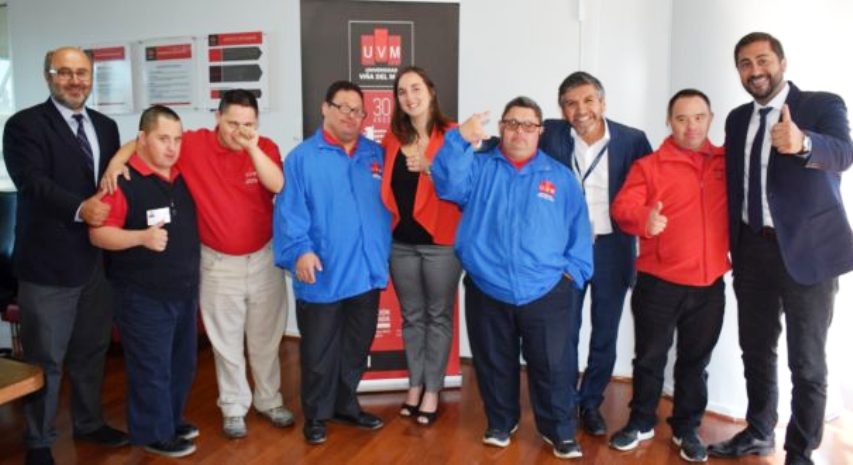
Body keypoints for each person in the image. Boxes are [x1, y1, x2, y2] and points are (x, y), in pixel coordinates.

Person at [103, 90, 290, 439]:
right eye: (233, 123)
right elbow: (143, 140)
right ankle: (234, 407)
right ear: (217, 118)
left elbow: (278, 184)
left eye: (249, 124)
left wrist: (251, 147)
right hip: (218, 262)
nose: (240, 131)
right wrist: (116, 164)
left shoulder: (264, 147)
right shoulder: (193, 144)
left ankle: (269, 400)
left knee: (266, 338)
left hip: (264, 258)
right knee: (226, 342)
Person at [708, 32, 853, 465]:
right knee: (755, 349)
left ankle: (800, 451)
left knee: (806, 363)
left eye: (763, 60)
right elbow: (735, 185)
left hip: (808, 254)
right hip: (753, 252)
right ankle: (757, 432)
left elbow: (844, 153)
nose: (755, 70)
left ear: (782, 62)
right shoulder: (737, 119)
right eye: (745, 63)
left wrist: (804, 143)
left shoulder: (821, 104)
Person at [430, 97, 593, 459]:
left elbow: (579, 230)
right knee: (493, 361)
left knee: (553, 365)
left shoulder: (560, 178)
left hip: (547, 290)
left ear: (541, 131)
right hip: (488, 286)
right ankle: (501, 422)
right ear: (502, 128)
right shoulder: (478, 167)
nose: (520, 132)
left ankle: (560, 430)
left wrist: (573, 275)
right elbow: (446, 184)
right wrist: (459, 139)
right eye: (512, 123)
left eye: (528, 125)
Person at [2, 46, 127, 465]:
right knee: (46, 358)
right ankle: (39, 440)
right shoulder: (24, 125)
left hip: (97, 262)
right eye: (65, 73)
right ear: (48, 76)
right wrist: (80, 209)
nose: (75, 81)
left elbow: (113, 173)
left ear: (92, 78)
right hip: (48, 265)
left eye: (83, 73)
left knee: (91, 349)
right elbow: (31, 182)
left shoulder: (106, 126)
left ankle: (89, 423)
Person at [609, 89, 728, 463]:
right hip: (658, 283)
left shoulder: (725, 162)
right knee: (649, 358)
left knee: (696, 362)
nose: (691, 125)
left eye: (698, 117)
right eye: (681, 118)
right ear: (669, 121)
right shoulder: (650, 165)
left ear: (710, 118)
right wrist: (646, 218)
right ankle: (641, 421)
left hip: (709, 286)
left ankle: (686, 428)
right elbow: (622, 206)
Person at [274, 80, 391, 445]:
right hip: (322, 271)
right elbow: (290, 213)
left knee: (356, 346)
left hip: (366, 270)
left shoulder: (375, 154)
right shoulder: (302, 159)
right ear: (325, 108)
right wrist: (300, 250)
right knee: (319, 352)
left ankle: (345, 405)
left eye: (358, 111)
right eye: (344, 108)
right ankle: (317, 415)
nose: (351, 117)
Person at [539, 71, 652, 435]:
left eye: (588, 100)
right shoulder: (551, 135)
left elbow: (651, 187)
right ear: (562, 109)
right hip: (566, 252)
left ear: (603, 103)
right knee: (564, 331)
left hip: (612, 249)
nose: (581, 109)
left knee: (604, 332)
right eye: (571, 103)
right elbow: (512, 143)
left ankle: (590, 402)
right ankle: (564, 401)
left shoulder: (633, 140)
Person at [90, 106, 199, 458]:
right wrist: (140, 238)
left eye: (177, 139)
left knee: (181, 363)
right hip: (142, 294)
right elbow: (98, 234)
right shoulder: (120, 181)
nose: (172, 147)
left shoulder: (181, 174)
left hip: (182, 290)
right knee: (152, 367)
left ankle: (169, 418)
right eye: (163, 139)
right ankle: (153, 433)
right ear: (142, 140)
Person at [380, 66, 462, 425]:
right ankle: (415, 384)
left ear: (430, 91)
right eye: (401, 92)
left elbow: (463, 185)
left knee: (438, 316)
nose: (409, 97)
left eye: (415, 89)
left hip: (441, 242)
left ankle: (433, 389)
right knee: (412, 318)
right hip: (402, 243)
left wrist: (431, 167)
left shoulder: (453, 134)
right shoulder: (392, 137)